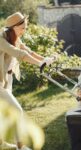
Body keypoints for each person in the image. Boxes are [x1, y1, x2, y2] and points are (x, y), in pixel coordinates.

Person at [0, 12, 58, 150]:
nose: (24, 31)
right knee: (16, 110)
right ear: (13, 27)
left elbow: (29, 51)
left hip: (7, 79)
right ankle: (21, 147)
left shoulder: (14, 37)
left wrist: (45, 59)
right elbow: (20, 54)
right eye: (23, 28)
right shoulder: (1, 39)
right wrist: (40, 64)